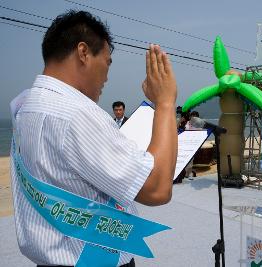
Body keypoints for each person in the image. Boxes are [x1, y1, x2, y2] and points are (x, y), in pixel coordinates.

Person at [9, 10, 177, 267]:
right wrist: (165, 102)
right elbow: (157, 189)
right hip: (94, 261)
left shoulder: (25, 105)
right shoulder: (78, 113)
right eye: (108, 62)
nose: (107, 77)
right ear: (84, 52)